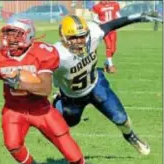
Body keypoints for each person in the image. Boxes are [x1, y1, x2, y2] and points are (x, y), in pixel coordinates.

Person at [0, 18, 94, 164]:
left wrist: (19, 84)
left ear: (29, 35)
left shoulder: (42, 53)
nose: (11, 39)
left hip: (40, 109)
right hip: (14, 109)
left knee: (68, 148)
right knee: (13, 145)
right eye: (8, 34)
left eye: (17, 35)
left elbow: (45, 89)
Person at [53, 13, 161, 156]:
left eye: (82, 36)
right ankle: (57, 101)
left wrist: (139, 16)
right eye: (74, 37)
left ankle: (130, 136)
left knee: (121, 119)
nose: (80, 41)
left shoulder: (93, 34)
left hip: (96, 85)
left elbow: (114, 24)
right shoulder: (56, 55)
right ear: (64, 38)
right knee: (68, 123)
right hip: (72, 97)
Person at [92, 0, 121, 73]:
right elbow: (94, 18)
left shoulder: (114, 4)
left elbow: (118, 15)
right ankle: (111, 66)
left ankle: (107, 63)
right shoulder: (98, 6)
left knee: (113, 48)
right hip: (105, 29)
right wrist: (101, 22)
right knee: (108, 46)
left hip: (113, 28)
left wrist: (120, 22)